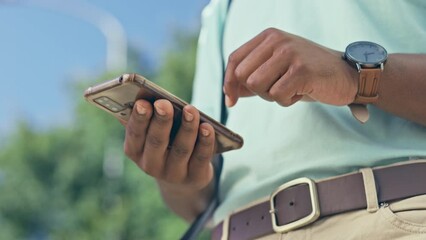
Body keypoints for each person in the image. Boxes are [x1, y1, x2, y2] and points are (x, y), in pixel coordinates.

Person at [122, 0, 426, 239]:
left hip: (394, 217)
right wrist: (176, 174)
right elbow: (197, 205)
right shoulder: (220, 8)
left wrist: (354, 75)